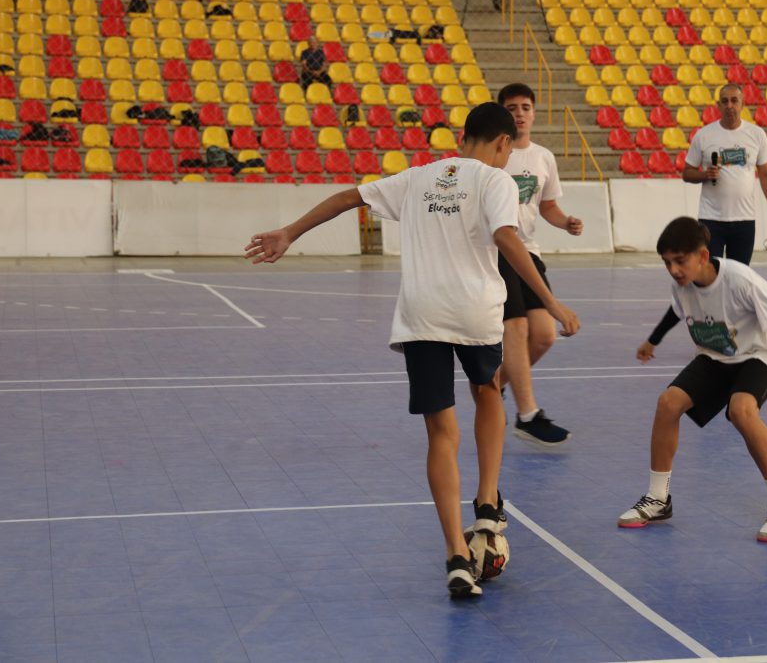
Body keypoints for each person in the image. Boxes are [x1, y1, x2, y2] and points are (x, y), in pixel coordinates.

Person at [244, 103, 580, 597]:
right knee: (488, 390)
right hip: (474, 311)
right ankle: (487, 502)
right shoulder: (496, 180)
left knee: (440, 432)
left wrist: (289, 232)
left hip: (422, 315)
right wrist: (549, 301)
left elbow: (347, 197)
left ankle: (456, 556)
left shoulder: (418, 177)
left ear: (463, 137)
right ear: (503, 143)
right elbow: (506, 236)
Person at [618, 217, 767, 542]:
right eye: (667, 263)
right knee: (668, 403)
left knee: (741, 410)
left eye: (680, 261)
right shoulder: (681, 285)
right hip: (719, 353)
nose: (674, 270)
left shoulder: (740, 280)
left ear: (703, 256)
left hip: (762, 353)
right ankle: (657, 499)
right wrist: (653, 341)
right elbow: (677, 310)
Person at [496, 83, 584, 446]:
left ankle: (494, 383)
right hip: (497, 251)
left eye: (525, 107)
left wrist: (565, 222)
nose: (519, 113)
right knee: (516, 328)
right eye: (512, 107)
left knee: (545, 335)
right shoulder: (494, 154)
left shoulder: (543, 158)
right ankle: (527, 415)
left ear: (534, 113)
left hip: (529, 252)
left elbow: (546, 206)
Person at [682, 83, 767, 266]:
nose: (729, 105)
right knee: (708, 273)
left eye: (734, 100)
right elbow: (687, 173)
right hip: (710, 220)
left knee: (738, 275)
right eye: (724, 101)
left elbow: (766, 174)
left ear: (742, 104)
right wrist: (705, 175)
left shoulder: (756, 134)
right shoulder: (704, 135)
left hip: (744, 220)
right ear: (718, 106)